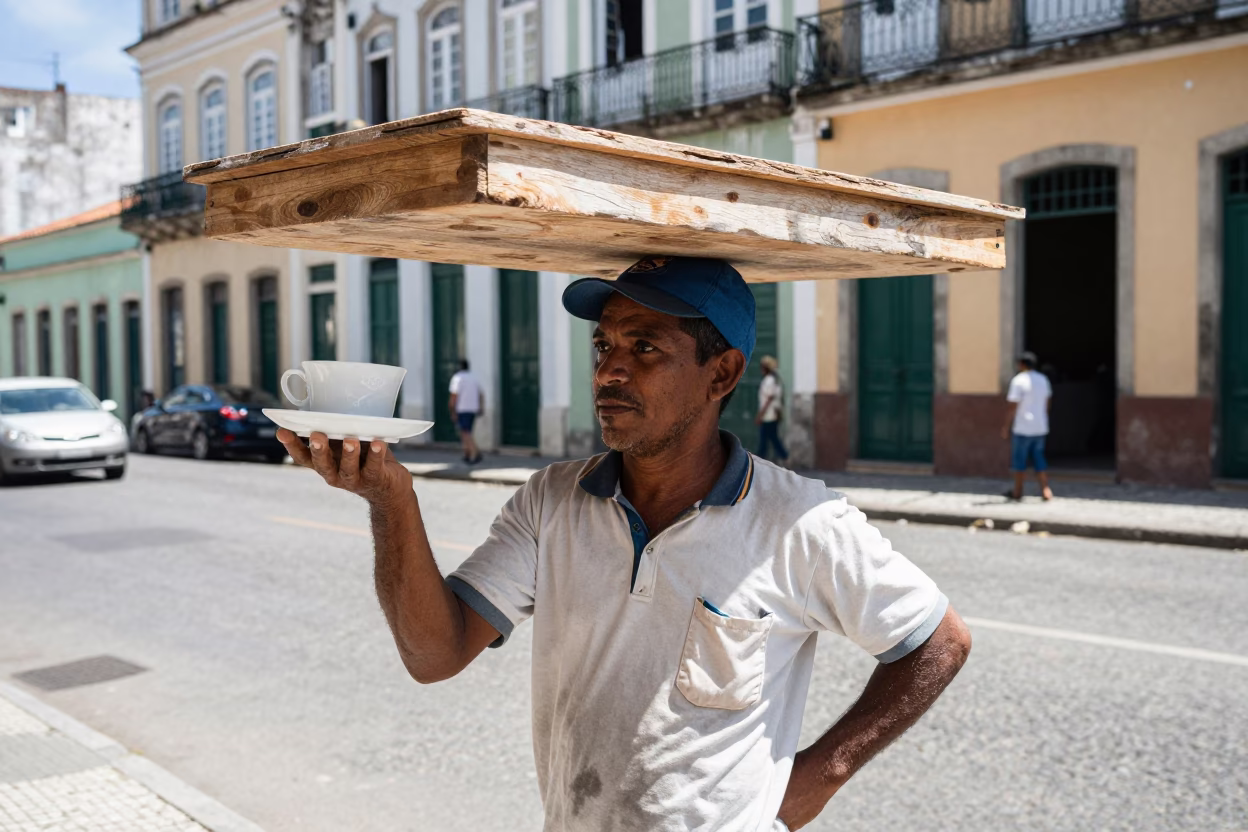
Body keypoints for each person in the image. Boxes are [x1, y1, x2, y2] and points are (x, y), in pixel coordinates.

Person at [277, 256, 971, 832]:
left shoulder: (799, 521)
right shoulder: (551, 503)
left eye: (645, 348)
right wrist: (391, 500)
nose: (610, 371)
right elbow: (435, 653)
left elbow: (937, 641)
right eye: (604, 346)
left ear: (722, 375)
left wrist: (820, 778)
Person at [1003, 351, 1053, 501]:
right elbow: (1048, 402)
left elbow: (1012, 406)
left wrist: (1006, 426)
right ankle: (1045, 489)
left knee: (1020, 461)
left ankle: (1018, 491)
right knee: (1039, 458)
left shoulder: (1018, 381)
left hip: (1023, 427)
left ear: (1021, 364)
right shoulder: (1043, 379)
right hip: (1039, 426)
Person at [755, 355, 789, 464]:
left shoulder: (769, 380)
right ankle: (784, 457)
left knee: (766, 440)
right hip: (770, 415)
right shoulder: (773, 380)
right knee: (771, 439)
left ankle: (761, 461)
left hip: (769, 416)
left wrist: (760, 415)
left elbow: (769, 399)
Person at [448, 359, 482, 465]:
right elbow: (481, 394)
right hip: (473, 409)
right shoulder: (474, 378)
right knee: (465, 432)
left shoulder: (458, 378)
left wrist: (452, 410)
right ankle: (467, 454)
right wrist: (481, 406)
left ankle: (476, 452)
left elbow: (454, 395)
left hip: (462, 409)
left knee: (466, 433)